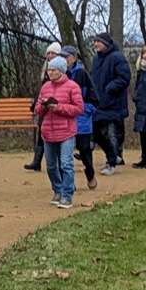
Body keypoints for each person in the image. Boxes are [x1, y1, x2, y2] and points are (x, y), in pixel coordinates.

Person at [35, 55, 84, 209]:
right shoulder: (45, 87)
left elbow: (79, 108)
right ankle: (57, 189)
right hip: (48, 132)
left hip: (66, 132)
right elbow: (37, 110)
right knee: (50, 166)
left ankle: (67, 195)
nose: (50, 72)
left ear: (61, 71)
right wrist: (43, 106)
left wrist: (59, 108)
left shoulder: (73, 87)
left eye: (53, 69)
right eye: (49, 69)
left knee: (66, 164)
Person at [90, 33, 130, 174]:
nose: (95, 44)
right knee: (97, 134)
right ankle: (113, 156)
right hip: (99, 103)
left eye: (98, 42)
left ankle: (111, 164)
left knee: (112, 135)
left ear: (106, 44)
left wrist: (109, 88)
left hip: (114, 103)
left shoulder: (117, 57)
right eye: (95, 42)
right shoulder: (96, 59)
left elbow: (124, 78)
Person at [64, 46, 99, 190]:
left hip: (81, 119)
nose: (64, 60)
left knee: (84, 149)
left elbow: (94, 99)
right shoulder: (59, 75)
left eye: (66, 57)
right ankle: (69, 182)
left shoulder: (82, 74)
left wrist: (83, 112)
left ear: (73, 58)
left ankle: (90, 173)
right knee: (64, 153)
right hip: (64, 119)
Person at [24, 43, 62, 172]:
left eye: (53, 53)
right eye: (49, 53)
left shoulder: (60, 69)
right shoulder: (46, 70)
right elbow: (42, 90)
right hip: (45, 106)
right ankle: (37, 161)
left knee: (52, 136)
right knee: (41, 131)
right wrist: (36, 104)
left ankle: (58, 163)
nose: (50, 56)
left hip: (56, 108)